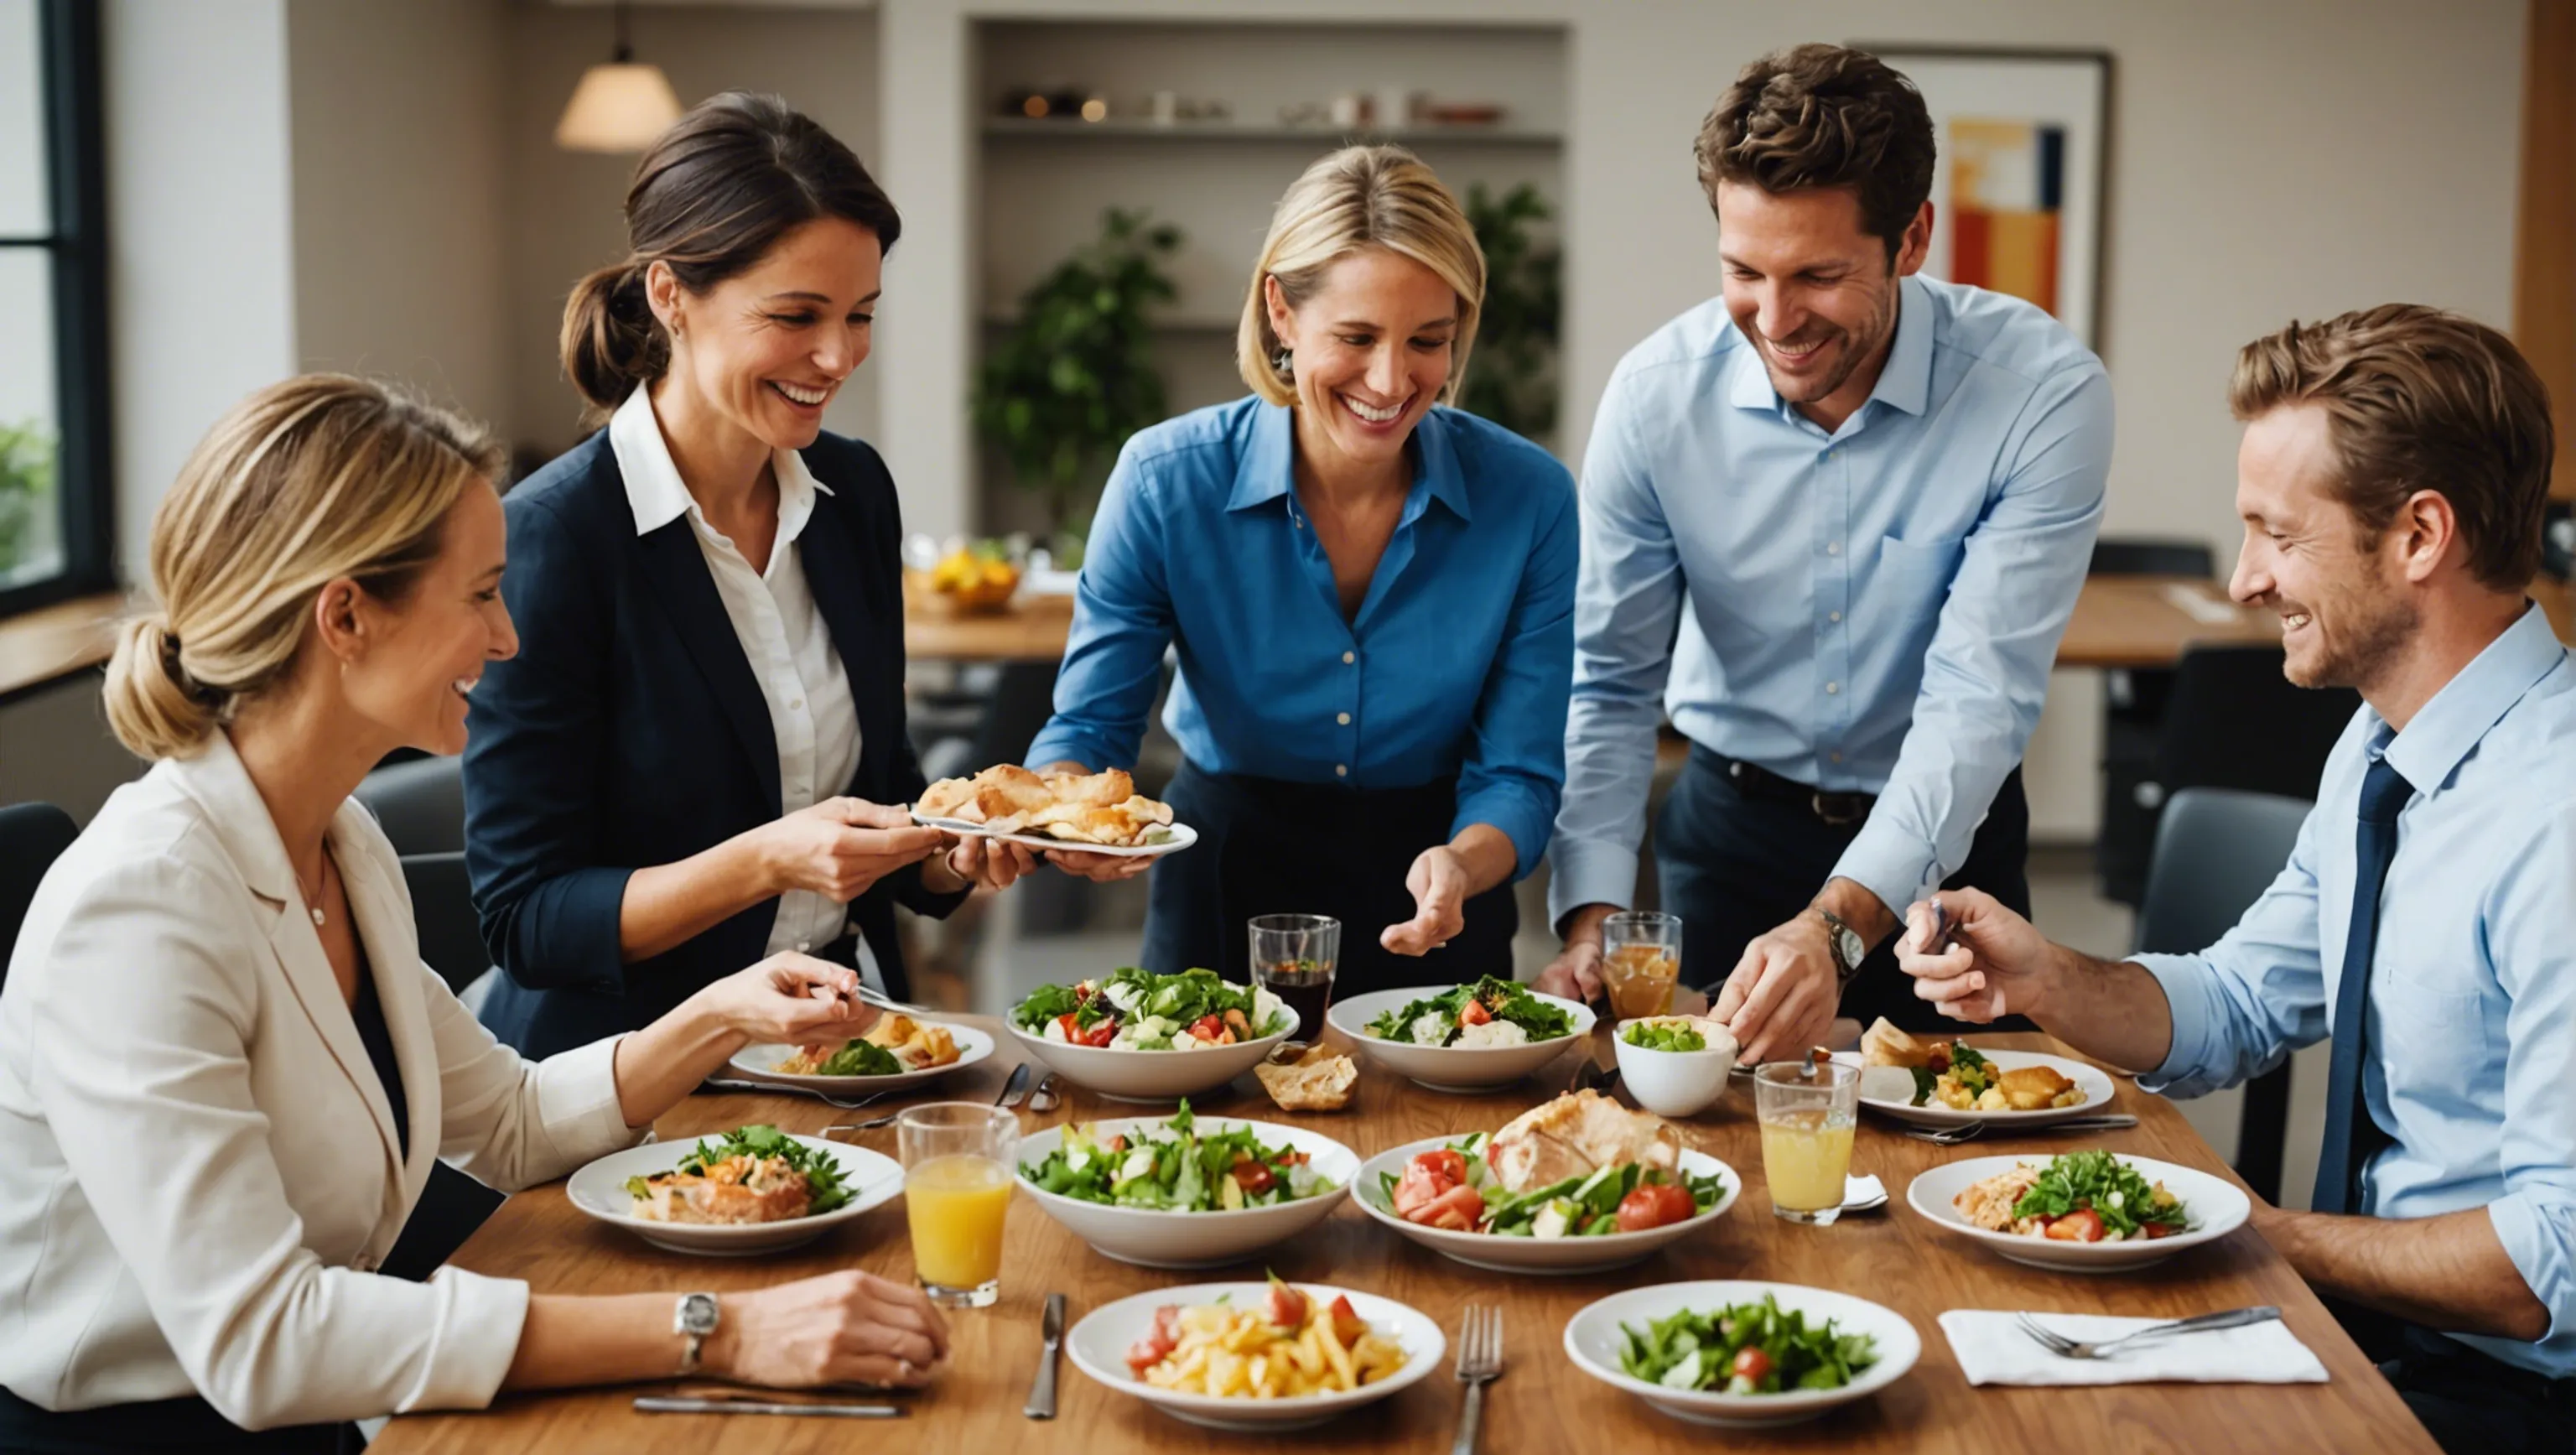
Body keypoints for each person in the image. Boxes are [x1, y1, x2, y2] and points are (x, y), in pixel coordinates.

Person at [0, 376, 953, 1453]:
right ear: (347, 614)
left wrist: (721, 1014)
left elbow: (509, 1122)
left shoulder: (342, 844)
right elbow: (264, 1339)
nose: (506, 639)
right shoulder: (140, 912)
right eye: (482, 594)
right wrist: (715, 1330)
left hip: (332, 1407)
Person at [1898, 305, 2573, 1455]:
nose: (2245, 579)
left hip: (2504, 1399)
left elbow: (2551, 1265)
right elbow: (2244, 1002)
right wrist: (2046, 974)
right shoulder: (2377, 747)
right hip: (2366, 1331)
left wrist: (2258, 1233)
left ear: (2419, 535)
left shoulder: (2554, 821)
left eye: (2274, 532)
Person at [1534, 44, 2111, 1063]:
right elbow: (1612, 685)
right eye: (1743, 271)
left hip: (1951, 850)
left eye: (1819, 275)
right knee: (1716, 1164)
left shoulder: (2040, 393)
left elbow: (1977, 700)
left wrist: (1839, 926)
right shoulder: (1656, 397)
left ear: (1914, 238)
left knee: (1965, 1161)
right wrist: (1591, 917)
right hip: (1728, 834)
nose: (1776, 317)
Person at [465, 93, 1026, 1059]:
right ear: (671, 296)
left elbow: (880, 790)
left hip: (837, 1056)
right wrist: (766, 860)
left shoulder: (854, 491)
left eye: (859, 316)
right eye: (796, 315)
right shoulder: (555, 539)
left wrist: (951, 851)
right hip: (625, 1082)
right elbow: (528, 918)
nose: (837, 356)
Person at [1025, 145, 1577, 995]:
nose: (1392, 380)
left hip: (1440, 900)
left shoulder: (1529, 499)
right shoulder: (1166, 481)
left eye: (1428, 340)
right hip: (1222, 880)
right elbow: (1089, 731)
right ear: (1281, 312)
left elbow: (1520, 773)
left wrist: (1463, 866)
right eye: (1356, 337)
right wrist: (1059, 810)